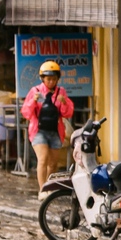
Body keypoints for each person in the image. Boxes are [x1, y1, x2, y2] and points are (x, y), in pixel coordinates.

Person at [21, 62, 77, 194]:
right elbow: (26, 112)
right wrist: (33, 101)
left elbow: (68, 113)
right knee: (43, 158)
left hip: (55, 131)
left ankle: (49, 189)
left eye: (54, 79)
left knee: (53, 163)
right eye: (48, 79)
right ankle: (42, 190)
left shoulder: (61, 92)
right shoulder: (35, 91)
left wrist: (64, 102)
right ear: (42, 78)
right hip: (39, 131)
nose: (51, 82)